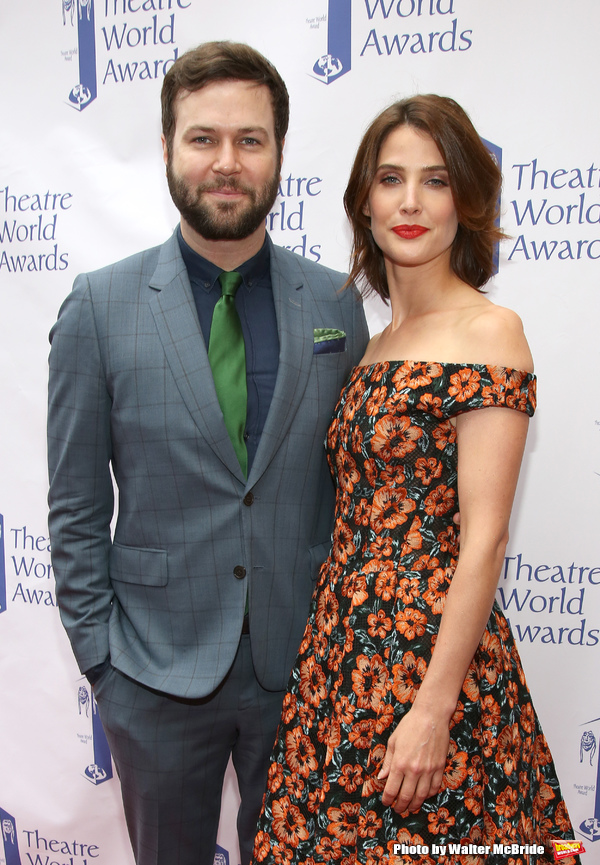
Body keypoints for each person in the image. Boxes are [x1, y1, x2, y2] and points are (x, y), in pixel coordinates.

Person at [47, 41, 369, 865]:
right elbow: (76, 507)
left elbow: (350, 495)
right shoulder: (99, 307)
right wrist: (105, 667)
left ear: (279, 154)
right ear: (167, 148)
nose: (226, 163)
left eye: (250, 140)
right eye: (203, 138)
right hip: (152, 681)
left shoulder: (337, 305)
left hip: (302, 673)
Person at [251, 96, 580, 865]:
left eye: (434, 181)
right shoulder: (373, 342)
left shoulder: (489, 332)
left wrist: (432, 708)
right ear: (363, 201)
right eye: (390, 178)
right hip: (342, 659)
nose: (409, 201)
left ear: (465, 199)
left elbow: (486, 535)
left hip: (435, 666)